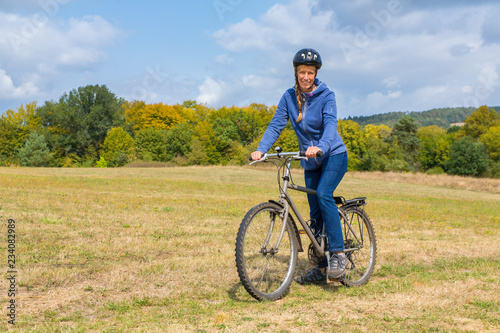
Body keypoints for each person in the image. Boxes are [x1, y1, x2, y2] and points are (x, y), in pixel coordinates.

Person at [251, 48, 348, 284]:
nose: (306, 76)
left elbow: (330, 125)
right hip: (309, 160)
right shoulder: (288, 97)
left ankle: (338, 254)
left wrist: (321, 146)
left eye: (310, 73)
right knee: (315, 214)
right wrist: (261, 149)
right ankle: (322, 268)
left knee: (324, 195)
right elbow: (276, 125)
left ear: (315, 74)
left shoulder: (327, 95)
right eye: (302, 72)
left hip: (333, 154)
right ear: (296, 73)